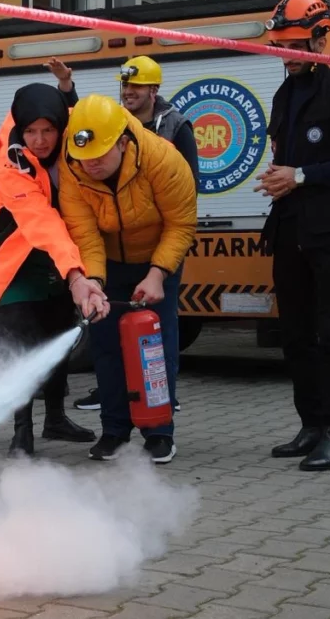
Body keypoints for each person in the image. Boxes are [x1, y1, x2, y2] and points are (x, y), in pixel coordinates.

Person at [0, 83, 109, 456]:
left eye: (48, 131)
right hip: (13, 259)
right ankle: (21, 431)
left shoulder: (72, 144)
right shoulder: (9, 165)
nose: (40, 140)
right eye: (31, 131)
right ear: (20, 129)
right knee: (22, 343)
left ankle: (56, 419)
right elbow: (40, 219)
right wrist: (76, 274)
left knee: (58, 337)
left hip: (58, 257)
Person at [58, 94, 197, 464]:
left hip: (157, 259)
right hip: (108, 261)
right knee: (105, 345)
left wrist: (157, 275)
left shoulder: (163, 159)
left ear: (123, 142)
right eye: (84, 158)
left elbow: (181, 224)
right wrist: (95, 284)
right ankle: (115, 431)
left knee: (157, 344)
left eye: (100, 157)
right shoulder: (73, 167)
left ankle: (159, 433)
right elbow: (84, 232)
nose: (90, 166)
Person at [255, 0, 330, 471]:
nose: (287, 54)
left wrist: (301, 176)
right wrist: (277, 179)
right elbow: (288, 157)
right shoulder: (283, 94)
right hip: (291, 229)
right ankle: (310, 424)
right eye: (281, 45)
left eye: (297, 44)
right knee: (295, 335)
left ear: (322, 37)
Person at [75, 55, 198, 413]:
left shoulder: (176, 127)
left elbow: (186, 192)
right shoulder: (112, 126)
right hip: (113, 253)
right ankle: (111, 399)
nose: (128, 92)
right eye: (125, 86)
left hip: (159, 251)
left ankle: (161, 404)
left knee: (161, 336)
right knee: (108, 337)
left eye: (136, 86)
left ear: (153, 89)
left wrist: (161, 268)